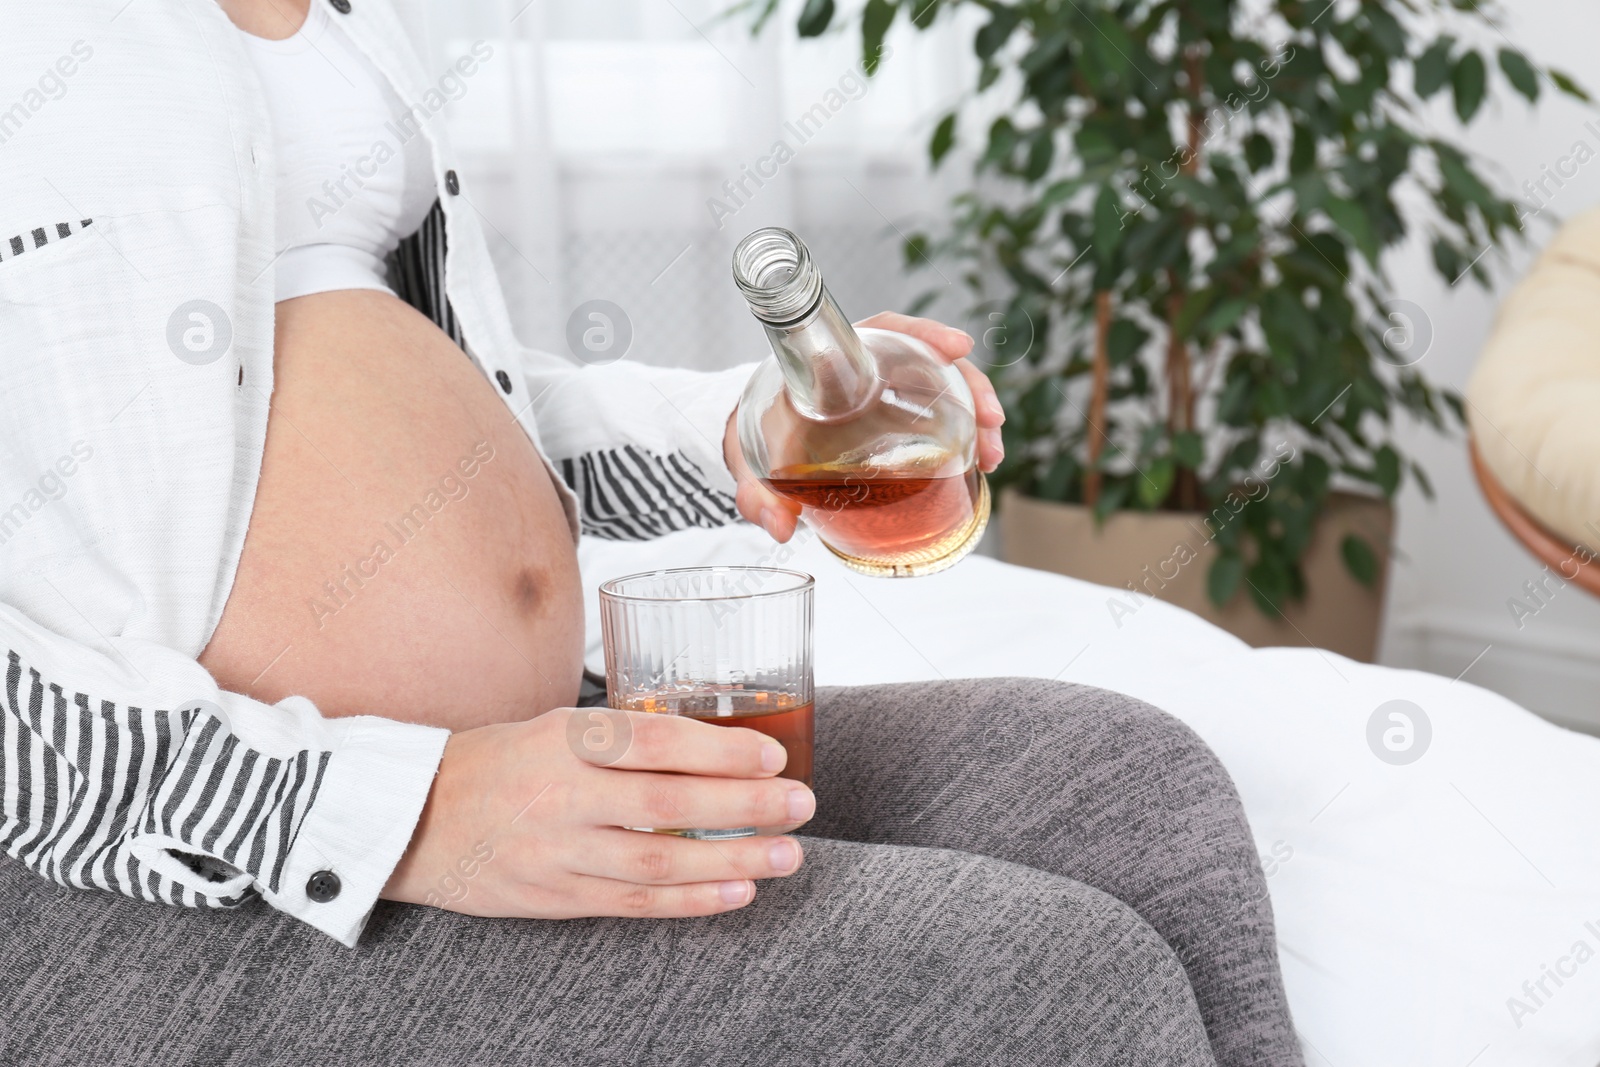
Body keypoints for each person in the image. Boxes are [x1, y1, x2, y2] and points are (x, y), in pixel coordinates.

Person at [0, 1, 1303, 1063]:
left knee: (1130, 789)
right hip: (166, 872)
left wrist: (736, 438)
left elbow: (444, 404)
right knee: (1051, 984)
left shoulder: (336, 24)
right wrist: (397, 814)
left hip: (509, 743)